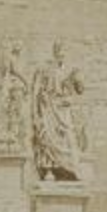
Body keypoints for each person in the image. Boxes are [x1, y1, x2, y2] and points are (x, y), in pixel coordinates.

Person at [31, 41, 86, 181]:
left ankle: (69, 170)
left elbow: (80, 90)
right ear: (55, 52)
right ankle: (51, 169)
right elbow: (36, 92)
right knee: (48, 138)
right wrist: (36, 114)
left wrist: (79, 81)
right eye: (59, 52)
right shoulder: (46, 70)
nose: (61, 54)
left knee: (68, 138)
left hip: (63, 110)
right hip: (49, 109)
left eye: (64, 52)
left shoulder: (70, 70)